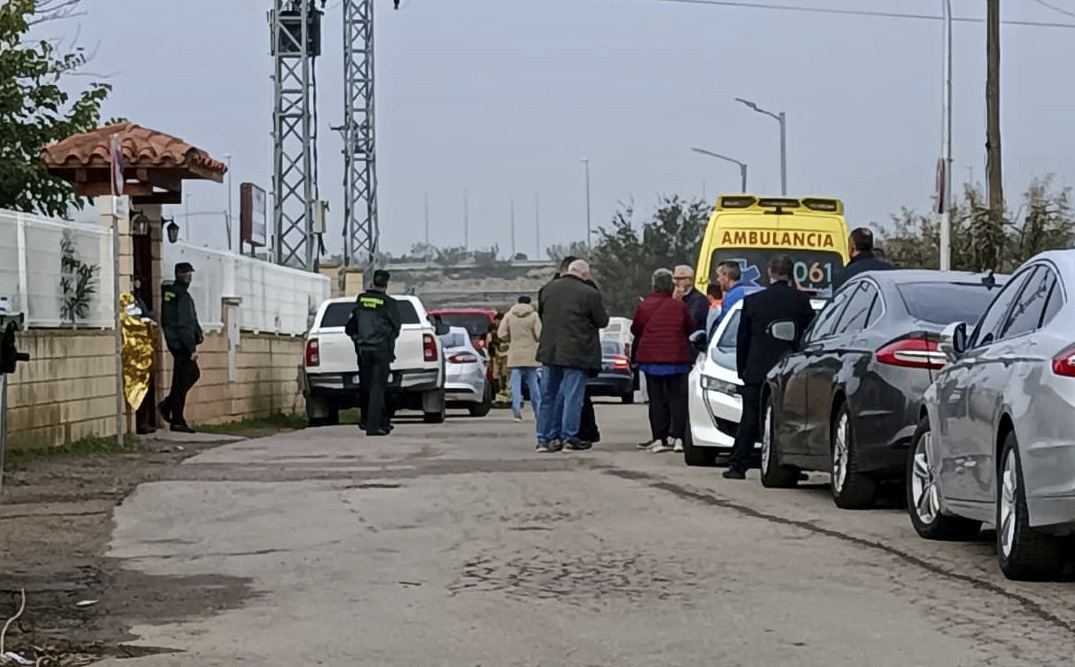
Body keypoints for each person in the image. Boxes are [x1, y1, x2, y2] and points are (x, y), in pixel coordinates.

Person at [725, 255, 816, 480]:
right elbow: (809, 336)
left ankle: (738, 465)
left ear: (769, 272)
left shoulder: (754, 301)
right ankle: (790, 467)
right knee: (787, 419)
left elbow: (743, 339)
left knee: (750, 418)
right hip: (790, 370)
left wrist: (742, 370)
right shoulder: (801, 301)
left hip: (757, 369)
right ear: (792, 273)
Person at [536, 259, 609, 452]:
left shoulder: (547, 289)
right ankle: (569, 437)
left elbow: (542, 314)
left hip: (550, 350)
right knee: (572, 396)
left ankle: (544, 439)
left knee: (548, 396)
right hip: (577, 352)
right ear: (584, 275)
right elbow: (602, 321)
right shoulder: (589, 293)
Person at [632, 269, 695, 453]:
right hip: (677, 359)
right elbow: (690, 327)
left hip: (651, 359)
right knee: (678, 400)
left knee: (656, 400)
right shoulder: (679, 306)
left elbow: (636, 329)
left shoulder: (644, 306)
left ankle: (659, 438)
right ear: (671, 286)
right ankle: (678, 438)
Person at [345, 270, 402, 436]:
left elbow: (351, 326)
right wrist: (388, 342)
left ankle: (380, 422)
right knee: (378, 388)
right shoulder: (389, 302)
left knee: (367, 386)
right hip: (380, 350)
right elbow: (396, 327)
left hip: (363, 350)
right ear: (386, 284)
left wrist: (358, 340)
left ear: (373, 282)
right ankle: (373, 426)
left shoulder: (361, 300)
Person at [159, 262, 203, 433]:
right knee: (183, 379)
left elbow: (188, 320)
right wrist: (190, 347)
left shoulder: (174, 293)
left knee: (189, 376)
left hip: (177, 343)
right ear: (180, 275)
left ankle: (169, 406)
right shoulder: (181, 295)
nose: (189, 277)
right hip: (182, 345)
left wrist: (197, 332)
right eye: (187, 274)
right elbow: (184, 323)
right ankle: (176, 417)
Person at [498, 296, 542, 422]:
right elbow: (539, 334)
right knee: (534, 385)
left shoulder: (509, 315)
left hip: (515, 353)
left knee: (515, 385)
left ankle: (516, 412)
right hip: (530, 354)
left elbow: (501, 333)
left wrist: (510, 339)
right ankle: (537, 411)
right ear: (529, 303)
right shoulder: (534, 316)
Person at [707, 261, 745, 341]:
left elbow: (725, 324)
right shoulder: (740, 292)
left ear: (727, 277)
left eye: (719, 276)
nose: (718, 280)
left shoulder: (734, 296)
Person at [672, 265, 709, 334]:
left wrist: (678, 304)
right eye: (674, 278)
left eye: (680, 279)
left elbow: (691, 322)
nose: (676, 282)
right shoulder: (671, 297)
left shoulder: (699, 299)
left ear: (690, 280)